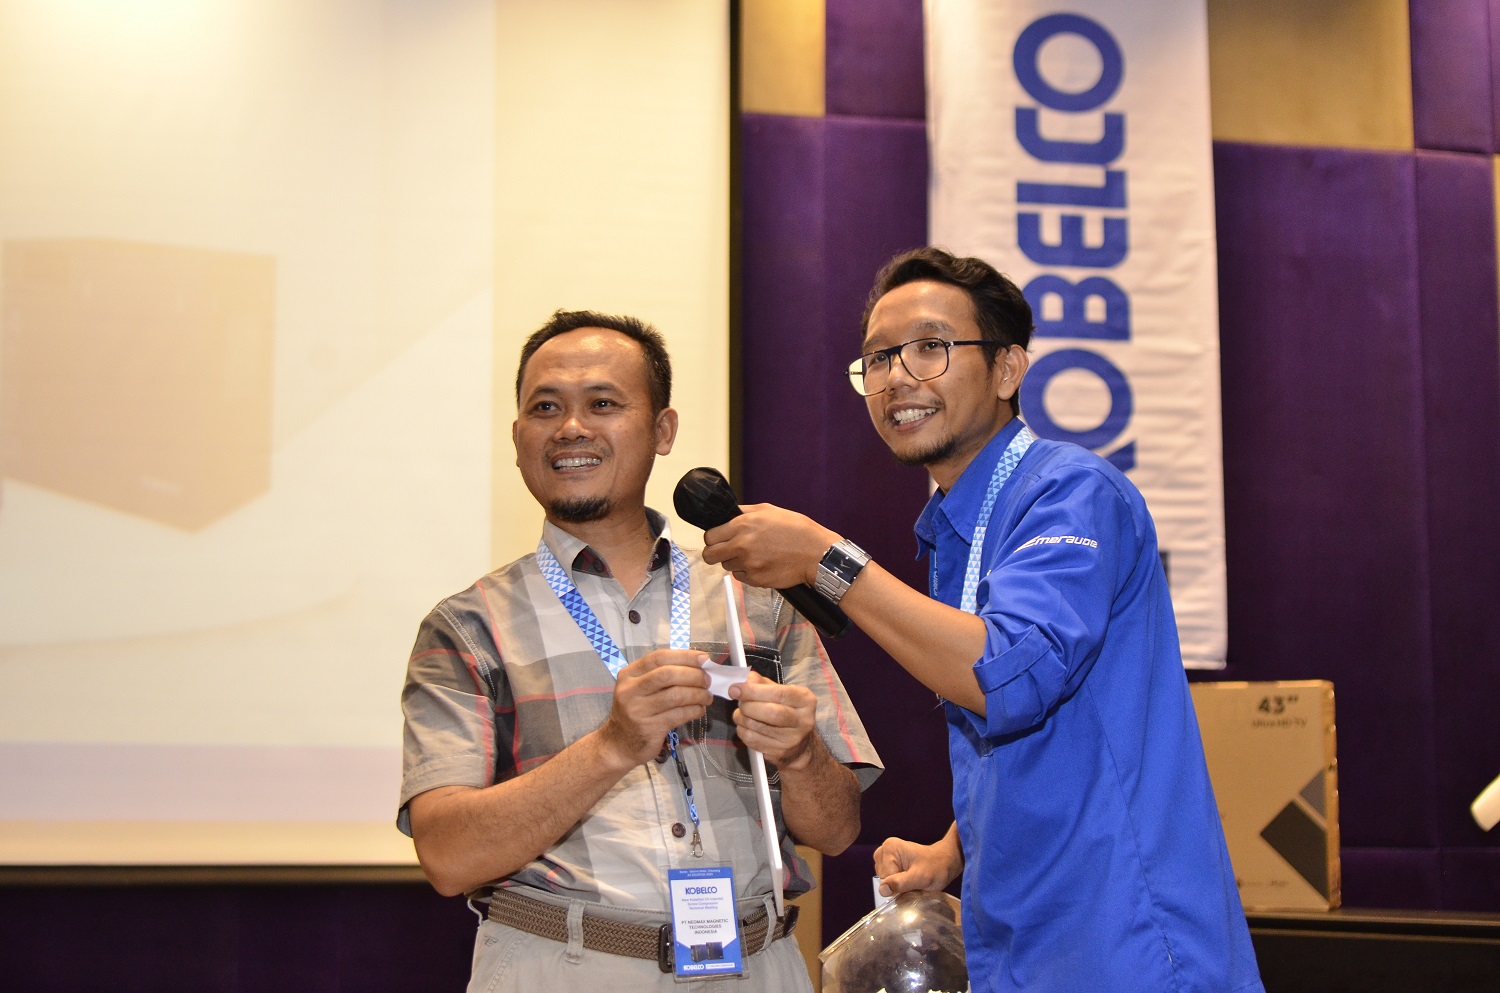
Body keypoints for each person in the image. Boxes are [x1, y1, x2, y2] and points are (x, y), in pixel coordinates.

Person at [702, 248, 1264, 993]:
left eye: (930, 347)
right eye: (878, 358)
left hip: (1123, 934)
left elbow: (1008, 678)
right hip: (1022, 934)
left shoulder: (1071, 492)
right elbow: (1051, 733)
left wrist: (822, 559)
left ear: (1007, 369)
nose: (897, 377)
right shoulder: (953, 525)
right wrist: (955, 849)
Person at [398, 309, 882, 993]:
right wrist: (612, 746)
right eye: (545, 407)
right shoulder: (468, 626)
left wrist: (802, 755)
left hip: (756, 963)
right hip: (561, 968)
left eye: (603, 403)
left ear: (663, 430)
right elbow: (448, 857)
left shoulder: (757, 600)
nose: (571, 427)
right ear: (517, 437)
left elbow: (835, 830)